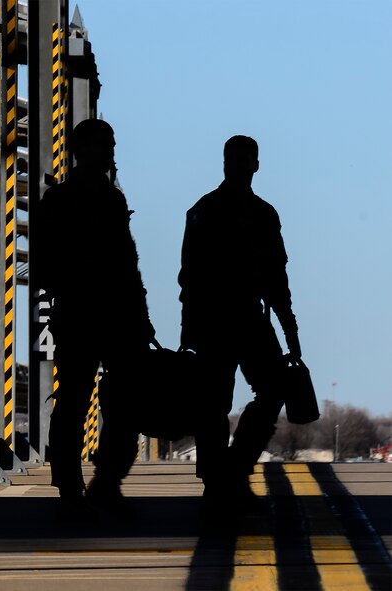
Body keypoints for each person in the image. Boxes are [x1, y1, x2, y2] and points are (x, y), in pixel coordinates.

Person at [32, 118, 156, 521]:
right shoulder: (59, 201)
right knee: (74, 402)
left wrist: (142, 315)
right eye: (103, 145)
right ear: (80, 150)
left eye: (112, 145)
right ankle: (69, 488)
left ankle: (106, 481)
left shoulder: (113, 199)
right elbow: (43, 265)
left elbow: (129, 262)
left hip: (118, 315)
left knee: (127, 402)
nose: (110, 152)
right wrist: (81, 274)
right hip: (80, 315)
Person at [177, 135, 302, 519]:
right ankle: (222, 481)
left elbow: (277, 279)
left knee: (267, 391)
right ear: (226, 163)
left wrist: (290, 331)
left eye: (245, 159)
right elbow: (190, 278)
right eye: (235, 159)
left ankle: (230, 473)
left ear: (255, 165)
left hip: (245, 319)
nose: (240, 165)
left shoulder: (256, 214)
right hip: (218, 321)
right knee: (215, 404)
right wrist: (189, 332)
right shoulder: (207, 211)